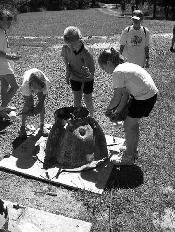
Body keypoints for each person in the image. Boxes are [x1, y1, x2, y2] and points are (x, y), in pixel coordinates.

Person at [98, 48, 158, 165]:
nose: (105, 71)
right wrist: (117, 111)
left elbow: (117, 97)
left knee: (130, 126)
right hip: (149, 95)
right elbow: (124, 96)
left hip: (144, 98)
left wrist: (109, 110)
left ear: (109, 63)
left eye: (104, 68)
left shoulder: (117, 72)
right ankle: (131, 148)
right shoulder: (125, 66)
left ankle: (129, 156)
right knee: (130, 124)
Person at [61, 26, 95, 117]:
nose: (70, 47)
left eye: (72, 44)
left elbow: (92, 72)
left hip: (87, 79)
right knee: (77, 99)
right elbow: (66, 60)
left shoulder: (86, 52)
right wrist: (67, 73)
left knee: (87, 99)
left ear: (79, 40)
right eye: (68, 44)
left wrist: (87, 75)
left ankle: (91, 117)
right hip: (74, 77)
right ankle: (78, 117)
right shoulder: (65, 48)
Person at [19, 68, 50, 138]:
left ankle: (42, 126)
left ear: (42, 85)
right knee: (27, 105)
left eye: (38, 88)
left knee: (41, 103)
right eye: (34, 88)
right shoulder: (25, 86)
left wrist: (37, 109)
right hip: (28, 80)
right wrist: (31, 110)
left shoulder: (46, 83)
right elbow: (29, 102)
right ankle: (22, 127)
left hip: (39, 83)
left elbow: (41, 102)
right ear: (30, 85)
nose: (36, 91)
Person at [0, 7, 20, 115]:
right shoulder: (0, 32)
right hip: (2, 64)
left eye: (10, 21)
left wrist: (10, 56)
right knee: (14, 87)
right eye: (6, 20)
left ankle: (4, 107)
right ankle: (2, 108)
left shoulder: (2, 31)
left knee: (4, 85)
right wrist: (11, 57)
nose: (9, 23)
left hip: (3, 63)